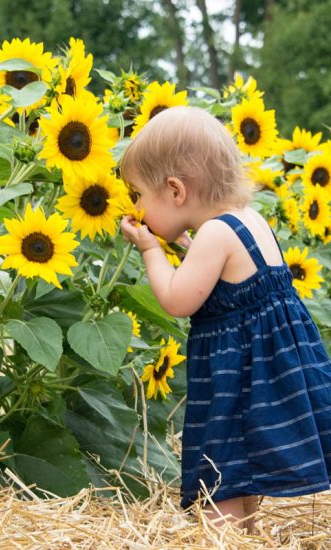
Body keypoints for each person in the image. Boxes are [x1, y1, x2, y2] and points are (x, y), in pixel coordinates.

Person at [120, 106, 331, 534]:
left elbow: (179, 299)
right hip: (269, 374)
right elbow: (225, 280)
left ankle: (226, 537)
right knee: (243, 463)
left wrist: (151, 251)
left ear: (176, 191)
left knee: (224, 467)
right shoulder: (249, 222)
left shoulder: (215, 235)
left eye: (140, 194)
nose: (137, 208)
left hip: (238, 378)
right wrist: (184, 245)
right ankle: (243, 534)